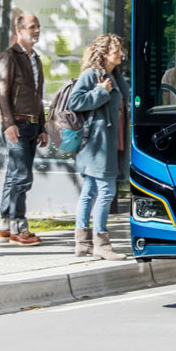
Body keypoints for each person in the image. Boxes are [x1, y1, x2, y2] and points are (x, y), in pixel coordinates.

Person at [67, 34, 130, 260]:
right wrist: (101, 92)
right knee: (107, 192)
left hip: (112, 139)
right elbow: (74, 102)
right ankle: (101, 243)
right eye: (116, 51)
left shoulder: (117, 75)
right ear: (104, 54)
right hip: (97, 144)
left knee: (90, 191)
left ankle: (83, 243)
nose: (121, 54)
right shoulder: (91, 75)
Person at [0, 13, 48, 246]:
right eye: (31, 27)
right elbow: (1, 92)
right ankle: (19, 226)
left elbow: (38, 97)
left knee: (14, 176)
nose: (36, 30)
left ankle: (5, 225)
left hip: (32, 123)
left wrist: (43, 126)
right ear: (19, 31)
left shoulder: (35, 58)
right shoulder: (8, 57)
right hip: (16, 123)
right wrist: (8, 123)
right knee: (21, 176)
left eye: (38, 26)